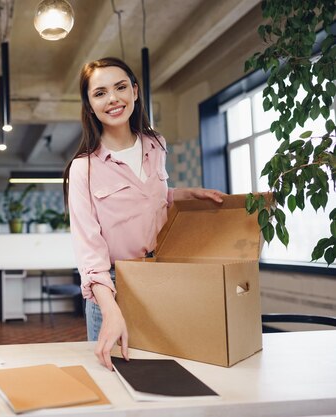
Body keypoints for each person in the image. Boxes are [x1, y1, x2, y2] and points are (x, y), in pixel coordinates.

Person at [63, 57, 225, 371]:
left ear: (135, 92)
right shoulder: (83, 168)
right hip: (112, 287)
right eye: (100, 93)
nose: (113, 99)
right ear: (89, 105)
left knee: (166, 370)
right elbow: (89, 249)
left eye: (120, 87)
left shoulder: (156, 144)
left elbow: (148, 201)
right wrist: (110, 310)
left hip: (162, 276)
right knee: (117, 379)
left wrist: (181, 195)